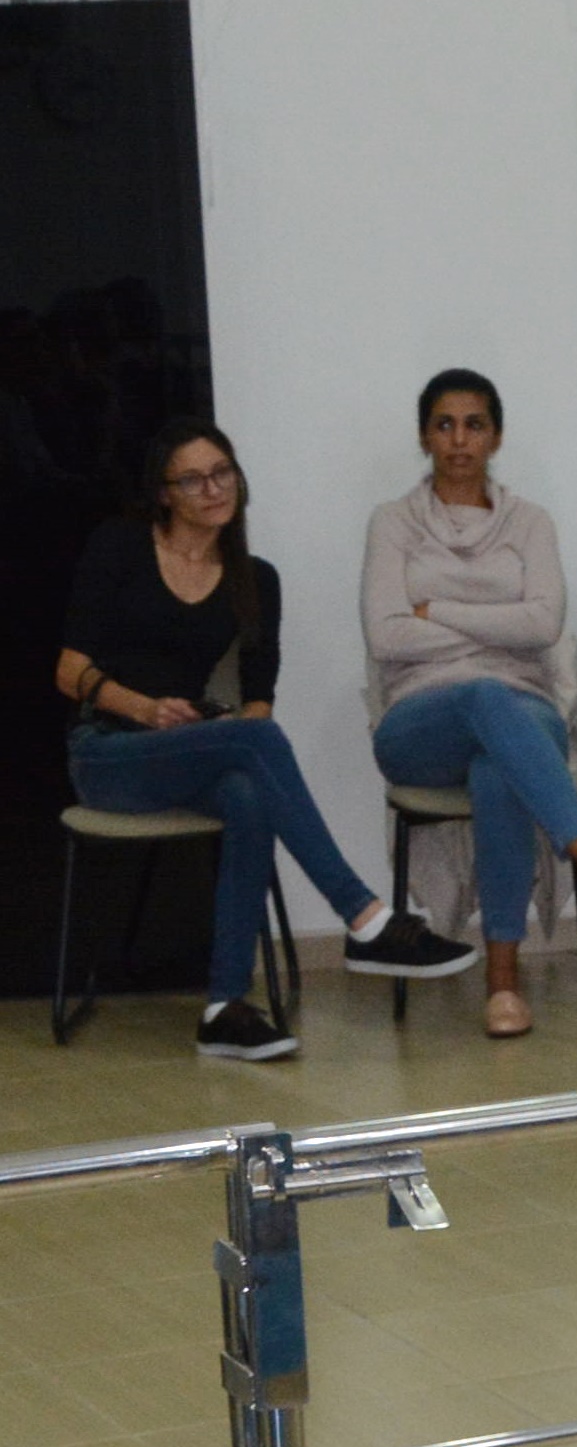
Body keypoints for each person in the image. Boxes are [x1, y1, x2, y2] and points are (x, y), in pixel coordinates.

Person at [57, 421, 478, 1057]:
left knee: (249, 789)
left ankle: (224, 1007)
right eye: (192, 480)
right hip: (106, 753)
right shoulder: (120, 545)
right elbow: (69, 671)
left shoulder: (254, 579)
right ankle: (363, 917)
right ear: (164, 492)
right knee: (254, 743)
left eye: (222, 472)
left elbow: (259, 698)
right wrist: (145, 708)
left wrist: (220, 725)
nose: (213, 489)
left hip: (187, 755)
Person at [363, 369, 577, 1040]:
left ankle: (503, 982)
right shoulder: (392, 522)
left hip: (526, 709)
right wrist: (498, 623)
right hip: (419, 721)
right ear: (424, 436)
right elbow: (386, 635)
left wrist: (434, 610)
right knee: (484, 694)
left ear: (496, 436)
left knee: (499, 762)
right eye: (444, 424)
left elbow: (543, 625)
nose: (459, 439)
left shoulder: (530, 522)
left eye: (475, 425)